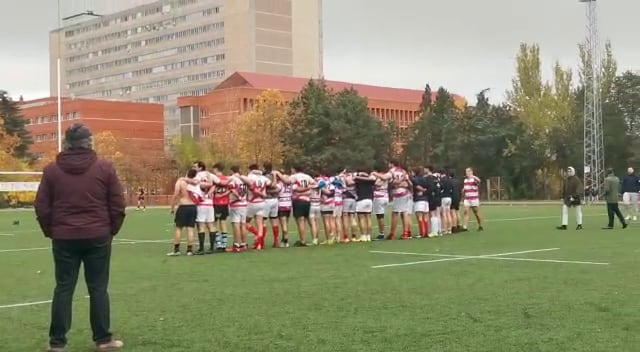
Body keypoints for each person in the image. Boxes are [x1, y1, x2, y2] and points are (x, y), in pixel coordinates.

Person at [34, 123, 126, 352]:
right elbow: (117, 204)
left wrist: (52, 231)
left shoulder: (51, 171)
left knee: (64, 288)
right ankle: (103, 340)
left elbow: (42, 207)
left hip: (64, 236)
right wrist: (110, 229)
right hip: (97, 235)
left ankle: (57, 343)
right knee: (98, 288)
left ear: (67, 144)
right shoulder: (105, 168)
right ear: (89, 143)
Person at [168, 169, 200, 256]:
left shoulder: (181, 182)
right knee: (190, 229)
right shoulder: (196, 183)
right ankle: (189, 250)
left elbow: (176, 195)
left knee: (178, 228)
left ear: (186, 173)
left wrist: (172, 207)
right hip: (193, 207)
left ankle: (176, 250)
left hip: (183, 206)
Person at [557, 166, 584, 230]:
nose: (569, 172)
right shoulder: (566, 180)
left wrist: (574, 196)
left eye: (570, 171)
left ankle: (579, 224)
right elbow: (564, 189)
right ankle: (564, 225)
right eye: (568, 171)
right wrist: (562, 197)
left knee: (578, 212)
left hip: (575, 198)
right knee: (564, 210)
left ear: (573, 172)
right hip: (568, 198)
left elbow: (579, 189)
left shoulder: (576, 180)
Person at [354, 168, 376, 242]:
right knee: (368, 218)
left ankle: (363, 236)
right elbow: (373, 179)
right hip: (369, 199)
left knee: (361, 218)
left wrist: (359, 174)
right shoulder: (370, 179)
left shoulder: (357, 179)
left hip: (361, 199)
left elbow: (353, 178)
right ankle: (368, 236)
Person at [462, 167, 484, 232]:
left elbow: (479, 181)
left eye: (468, 171)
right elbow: (465, 188)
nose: (467, 173)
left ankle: (480, 225)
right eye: (466, 171)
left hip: (474, 199)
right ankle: (465, 227)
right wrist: (463, 191)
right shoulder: (465, 180)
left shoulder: (474, 179)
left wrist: (473, 176)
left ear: (471, 172)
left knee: (476, 213)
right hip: (467, 199)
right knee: (466, 211)